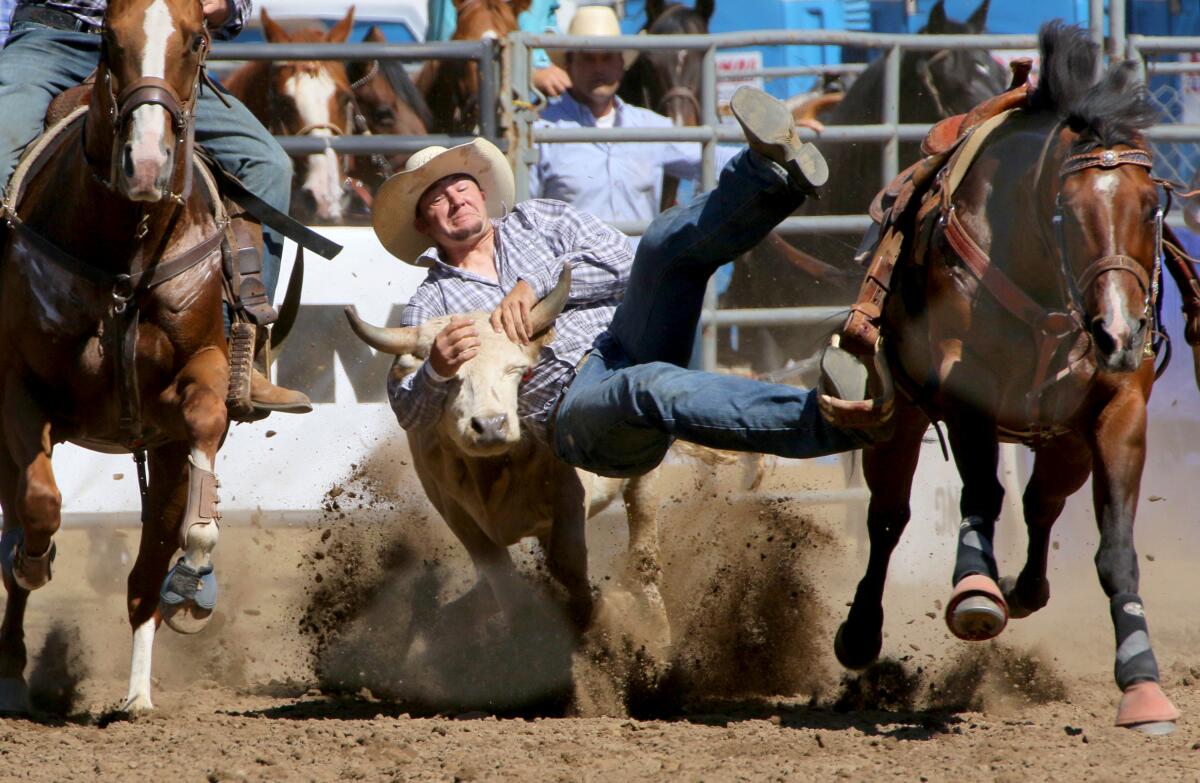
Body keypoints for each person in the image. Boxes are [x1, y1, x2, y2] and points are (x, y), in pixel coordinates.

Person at [373, 86, 880, 478]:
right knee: (647, 387)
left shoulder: (539, 220)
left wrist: (538, 281)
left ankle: (771, 175)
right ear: (423, 224)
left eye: (462, 185)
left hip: (623, 335)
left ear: (482, 193)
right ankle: (827, 420)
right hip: (571, 410)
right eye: (436, 198)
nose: (456, 198)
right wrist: (437, 370)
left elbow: (626, 263)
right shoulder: (429, 303)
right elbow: (411, 415)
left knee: (661, 243)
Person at [0, 0, 310, 416]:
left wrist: (219, 5)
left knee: (268, 165)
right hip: (51, 40)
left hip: (160, 46)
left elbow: (235, 9)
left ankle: (237, 353)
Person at [530, 5, 735, 227]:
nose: (599, 69)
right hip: (572, 262)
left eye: (607, 57)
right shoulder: (542, 129)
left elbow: (714, 159)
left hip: (637, 261)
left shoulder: (652, 128)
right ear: (569, 65)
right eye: (588, 58)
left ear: (621, 64)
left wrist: (768, 152)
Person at [426, 0, 571, 98]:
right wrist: (529, 74)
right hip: (472, 102)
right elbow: (451, 48)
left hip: (535, 100)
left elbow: (549, 30)